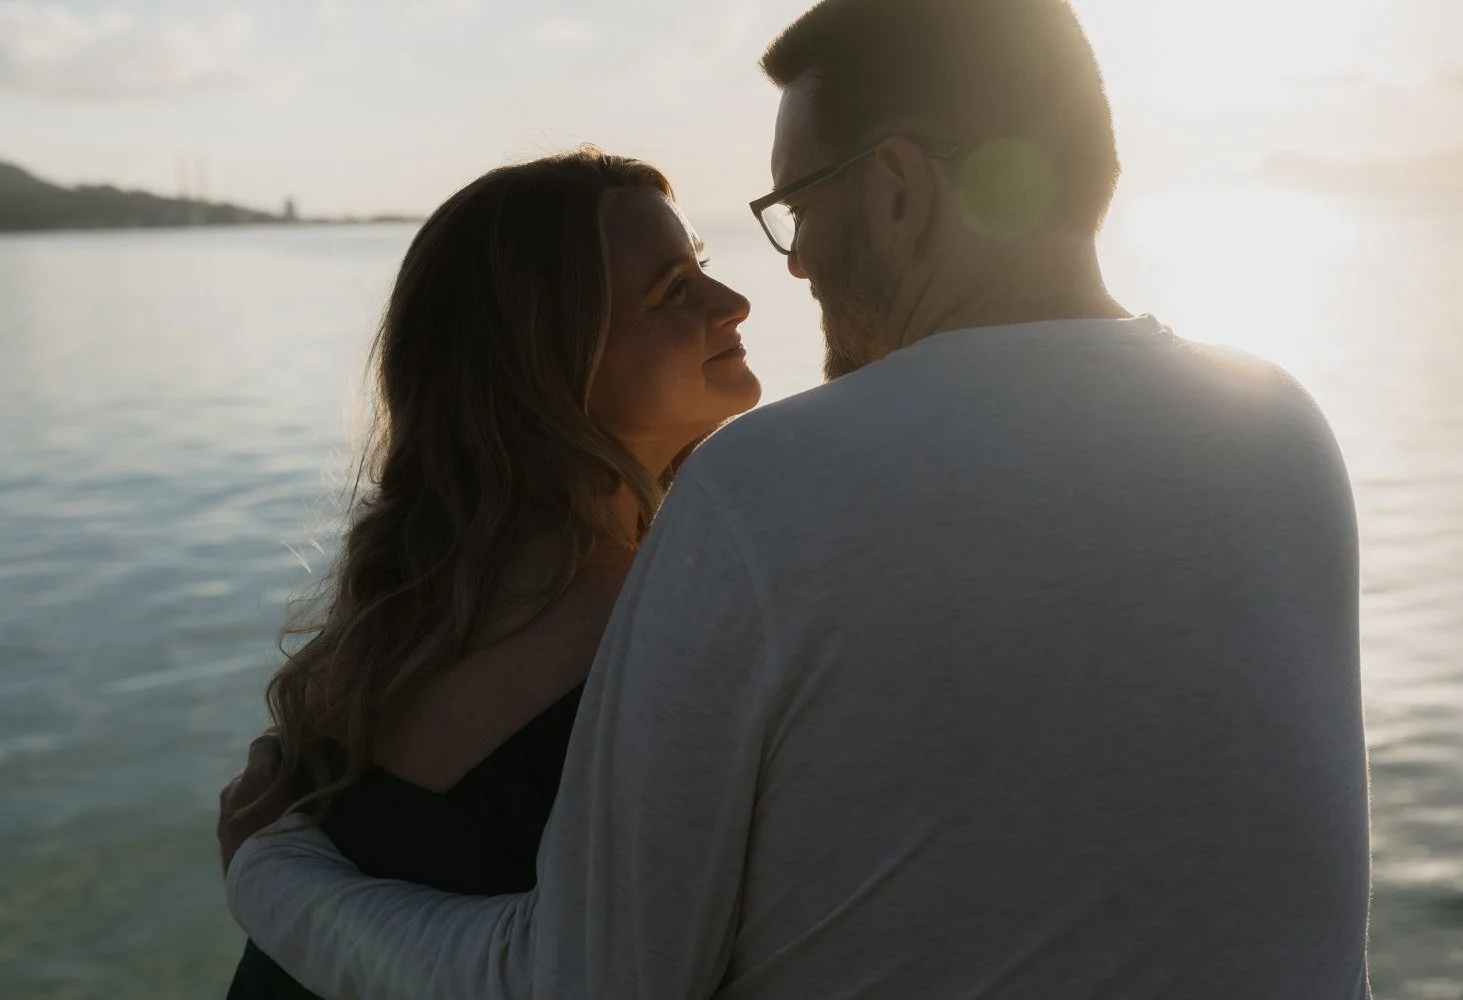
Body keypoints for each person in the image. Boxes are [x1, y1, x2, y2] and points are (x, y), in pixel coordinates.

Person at [220, 0, 1373, 997]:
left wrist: (269, 870)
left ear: (899, 190)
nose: (787, 266)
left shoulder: (766, 492)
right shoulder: (1281, 426)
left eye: (796, 205)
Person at [218, 149, 760, 998]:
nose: (734, 303)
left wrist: (263, 873)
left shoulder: (405, 605)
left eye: (704, 272)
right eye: (671, 292)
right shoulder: (656, 622)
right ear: (548, 365)